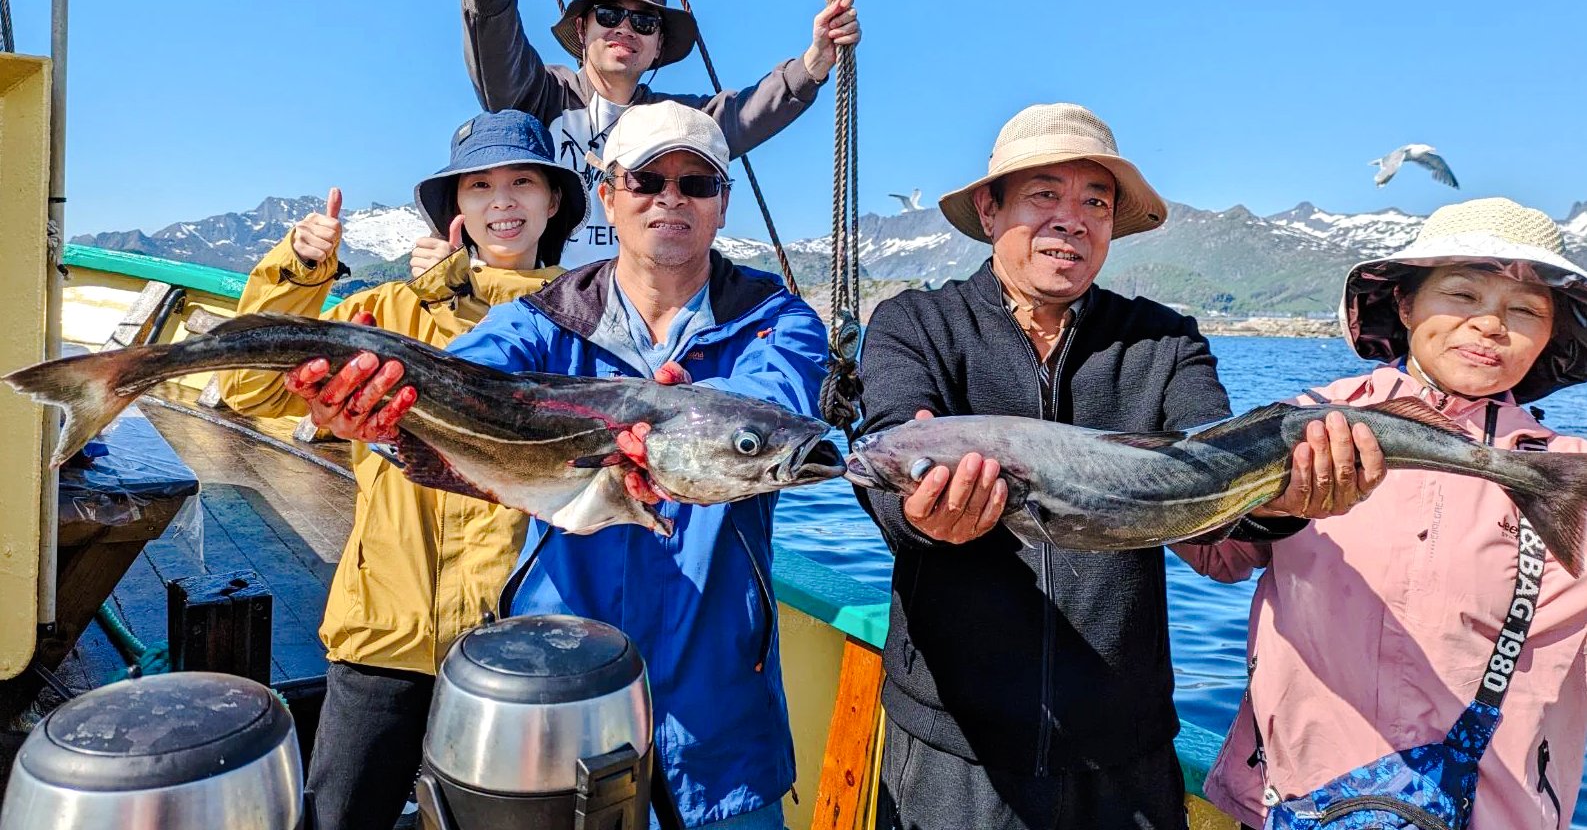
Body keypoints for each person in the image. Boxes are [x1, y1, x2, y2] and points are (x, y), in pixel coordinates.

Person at [282, 101, 828, 830]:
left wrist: (679, 425)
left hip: (718, 700)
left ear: (722, 203)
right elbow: (463, 388)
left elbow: (769, 405)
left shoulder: (777, 318)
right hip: (555, 690)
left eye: (695, 183)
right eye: (645, 180)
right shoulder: (540, 320)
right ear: (607, 195)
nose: (670, 198)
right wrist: (377, 417)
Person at [852, 102, 1384, 830]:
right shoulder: (914, 324)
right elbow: (885, 454)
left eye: (1094, 202)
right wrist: (922, 516)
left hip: (1124, 749)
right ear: (988, 208)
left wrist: (1286, 500)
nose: (1071, 219)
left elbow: (1214, 474)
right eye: (1044, 194)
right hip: (955, 748)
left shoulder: (1163, 341)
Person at [217, 111, 584, 830]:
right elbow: (248, 388)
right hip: (384, 630)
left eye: (521, 183)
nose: (501, 202)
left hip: (518, 648)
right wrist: (296, 269)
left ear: (553, 202)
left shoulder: (584, 319)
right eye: (479, 186)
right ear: (457, 208)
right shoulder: (386, 312)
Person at [1180, 197, 1587, 830]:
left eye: (1525, 310)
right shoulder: (1306, 421)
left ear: (1550, 335)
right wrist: (1272, 510)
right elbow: (1214, 552)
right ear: (1404, 304)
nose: (1489, 325)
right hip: (1287, 801)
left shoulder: (1573, 472)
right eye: (1462, 296)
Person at [452, 0, 861, 268]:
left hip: (639, 308)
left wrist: (814, 63)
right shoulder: (542, 98)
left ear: (658, 43)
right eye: (609, 16)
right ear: (582, 30)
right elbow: (498, 62)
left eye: (644, 21)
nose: (626, 29)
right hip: (550, 302)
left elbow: (745, 115)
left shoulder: (676, 124)